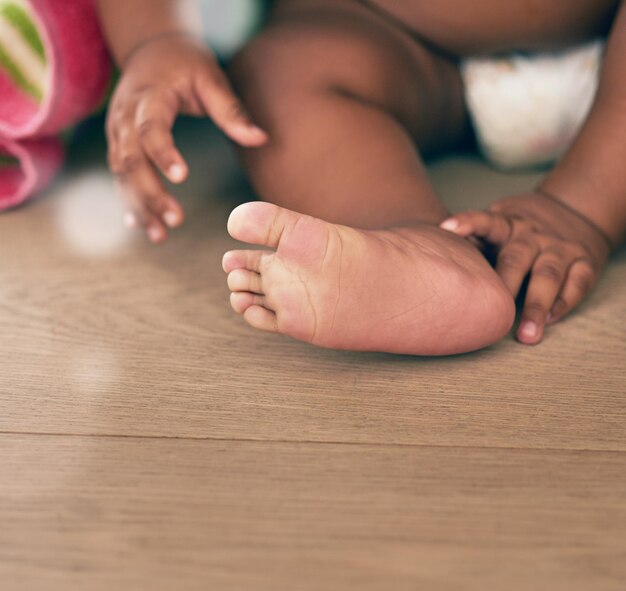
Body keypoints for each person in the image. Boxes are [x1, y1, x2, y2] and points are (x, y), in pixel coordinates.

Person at [97, 0, 625, 355]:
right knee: (271, 78)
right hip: (395, 41)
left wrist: (582, 205)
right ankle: (413, 245)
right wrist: (158, 39)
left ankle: (591, 195)